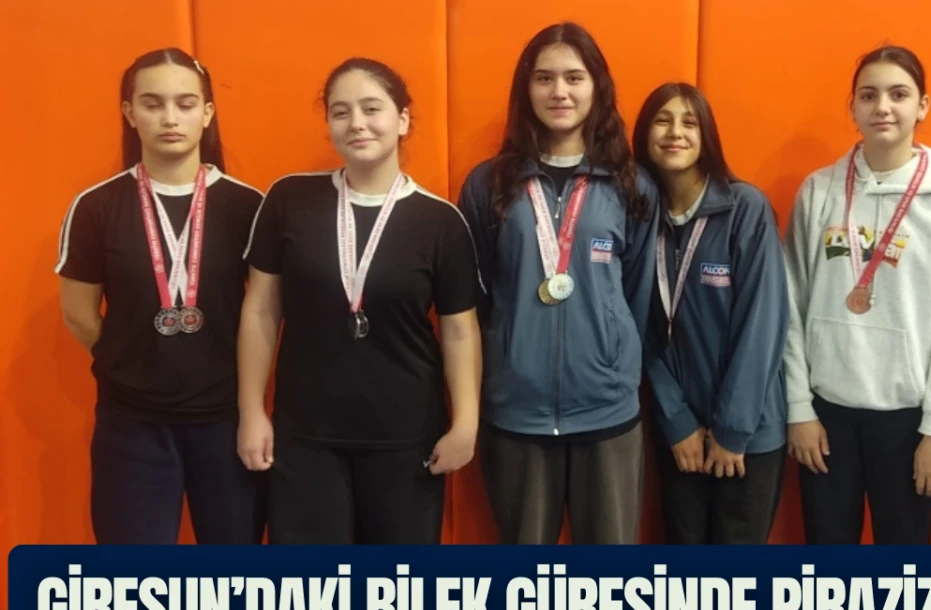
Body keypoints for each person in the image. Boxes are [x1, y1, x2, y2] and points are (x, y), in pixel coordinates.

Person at [237, 58, 483, 544]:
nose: (357, 123)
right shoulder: (289, 200)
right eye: (340, 112)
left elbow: (460, 330)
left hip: (406, 438)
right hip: (306, 437)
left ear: (402, 119)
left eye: (372, 109)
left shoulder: (440, 221)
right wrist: (251, 411)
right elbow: (261, 311)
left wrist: (466, 424)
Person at [456, 22, 659, 545]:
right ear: (526, 89)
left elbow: (637, 295)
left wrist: (612, 359)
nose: (559, 92)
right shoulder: (488, 183)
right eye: (544, 78)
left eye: (574, 77)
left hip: (606, 408)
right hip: (516, 410)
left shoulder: (631, 184)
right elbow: (476, 299)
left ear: (597, 86)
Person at [54, 48, 266, 545]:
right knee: (135, 577)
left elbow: (265, 313)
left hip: (226, 420)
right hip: (132, 424)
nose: (170, 118)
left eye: (185, 104)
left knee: (235, 576)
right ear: (129, 113)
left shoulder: (249, 206)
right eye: (152, 104)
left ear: (207, 113)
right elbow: (79, 314)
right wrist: (134, 365)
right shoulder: (96, 207)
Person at [781, 45, 931, 544]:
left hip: (909, 421)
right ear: (852, 107)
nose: (883, 107)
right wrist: (798, 407)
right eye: (869, 95)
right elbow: (790, 304)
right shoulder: (819, 191)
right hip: (826, 414)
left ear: (923, 106)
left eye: (899, 94)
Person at [631, 82, 789, 544]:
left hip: (746, 434)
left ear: (707, 136)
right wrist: (676, 420)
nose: (674, 132)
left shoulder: (744, 208)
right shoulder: (640, 217)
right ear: (643, 135)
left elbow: (762, 324)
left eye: (689, 122)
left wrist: (732, 430)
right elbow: (640, 331)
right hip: (680, 432)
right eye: (662, 120)